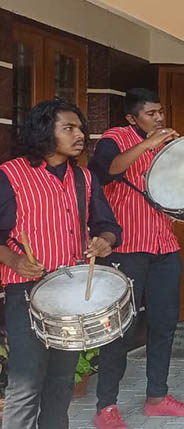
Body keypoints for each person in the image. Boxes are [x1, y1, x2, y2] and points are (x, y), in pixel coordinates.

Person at [0, 100, 121, 427]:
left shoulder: (83, 178)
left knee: (61, 383)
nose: (79, 134)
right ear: (43, 131)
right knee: (26, 385)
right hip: (25, 294)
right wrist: (15, 259)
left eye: (80, 128)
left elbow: (108, 225)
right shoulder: (9, 176)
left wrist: (104, 241)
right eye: (69, 128)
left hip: (70, 295)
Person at [88, 88, 184, 428]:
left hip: (164, 246)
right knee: (119, 330)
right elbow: (103, 173)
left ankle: (157, 397)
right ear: (132, 118)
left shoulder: (165, 146)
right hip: (125, 249)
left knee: (164, 324)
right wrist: (148, 143)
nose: (160, 119)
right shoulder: (114, 138)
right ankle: (106, 406)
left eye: (161, 112)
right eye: (151, 113)